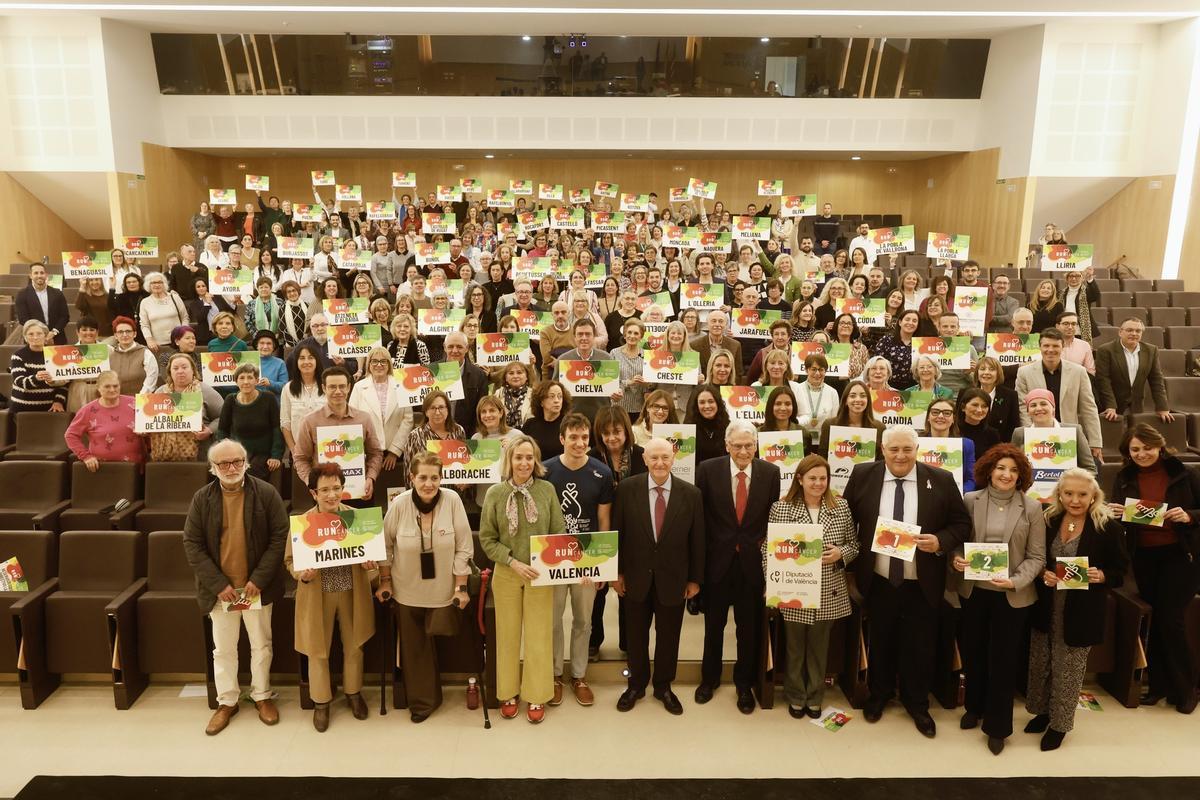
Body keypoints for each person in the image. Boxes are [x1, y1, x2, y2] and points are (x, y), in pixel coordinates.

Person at [842, 426, 970, 737]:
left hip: (921, 581)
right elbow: (847, 517)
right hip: (879, 579)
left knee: (920, 646)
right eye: (894, 449)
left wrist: (940, 541)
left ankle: (917, 703)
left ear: (917, 450)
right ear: (882, 450)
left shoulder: (939, 479)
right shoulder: (863, 475)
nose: (901, 456)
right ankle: (879, 695)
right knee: (881, 640)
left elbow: (961, 523)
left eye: (907, 450)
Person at [182, 439, 288, 736]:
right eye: (223, 464)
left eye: (237, 462)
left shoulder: (266, 493)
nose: (231, 468)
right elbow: (192, 543)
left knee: (261, 646)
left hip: (256, 589)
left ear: (246, 463)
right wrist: (218, 584)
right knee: (223, 650)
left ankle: (262, 696)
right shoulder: (202, 499)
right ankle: (227, 701)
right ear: (212, 468)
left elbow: (280, 537)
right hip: (221, 592)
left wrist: (258, 580)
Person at [949, 444, 1046, 754]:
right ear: (989, 470)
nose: (1006, 474)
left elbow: (1037, 556)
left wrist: (1014, 581)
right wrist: (956, 558)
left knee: (1003, 662)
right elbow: (956, 541)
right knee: (974, 654)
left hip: (1011, 597)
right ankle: (974, 708)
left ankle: (997, 727)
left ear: (1021, 476)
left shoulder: (1031, 507)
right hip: (974, 593)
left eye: (1013, 470)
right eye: (1001, 468)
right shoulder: (969, 501)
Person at [1026, 468, 1128, 750]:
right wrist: (1042, 573)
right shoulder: (1047, 520)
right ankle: (1042, 712)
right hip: (1047, 605)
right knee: (1041, 663)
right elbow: (1034, 557)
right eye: (1068, 493)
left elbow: (1120, 570)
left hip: (1081, 609)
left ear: (1094, 495)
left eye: (1082, 494)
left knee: (1068, 669)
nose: (1075, 500)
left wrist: (1102, 575)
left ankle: (1060, 725)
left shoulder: (1108, 527)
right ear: (1059, 494)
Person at [1109, 424, 1200, 714]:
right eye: (1135, 449)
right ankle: (1158, 686)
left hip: (1180, 556)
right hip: (1144, 558)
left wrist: (1189, 515)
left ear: (1159, 446)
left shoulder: (1186, 474)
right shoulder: (1124, 479)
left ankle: (1186, 689)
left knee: (1171, 620)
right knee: (1156, 621)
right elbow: (1124, 522)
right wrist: (1116, 515)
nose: (1142, 454)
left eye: (1147, 447)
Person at [379, 452, 473, 722]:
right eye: (422, 477)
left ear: (441, 478)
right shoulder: (399, 505)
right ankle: (422, 703)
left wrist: (460, 586)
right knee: (414, 648)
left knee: (444, 640)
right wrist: (385, 581)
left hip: (444, 591)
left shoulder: (453, 500)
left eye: (434, 477)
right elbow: (385, 546)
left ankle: (449, 690)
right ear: (411, 478)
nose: (428, 483)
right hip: (407, 590)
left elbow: (464, 547)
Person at [479, 435, 567, 724]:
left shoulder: (547, 490)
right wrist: (513, 561)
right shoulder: (494, 494)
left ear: (536, 461)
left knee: (539, 636)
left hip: (540, 573)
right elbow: (488, 539)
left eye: (530, 458)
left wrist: (568, 566)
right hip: (507, 573)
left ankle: (537, 694)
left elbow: (558, 532)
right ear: (510, 460)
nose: (524, 463)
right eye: (519, 457)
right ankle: (507, 692)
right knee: (506, 636)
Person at [694, 421, 781, 714]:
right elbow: (701, 519)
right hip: (717, 563)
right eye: (738, 445)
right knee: (713, 627)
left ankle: (744, 684)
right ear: (727, 446)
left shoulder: (771, 473)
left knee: (748, 629)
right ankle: (709, 680)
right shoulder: (707, 470)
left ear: (756, 446)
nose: (743, 451)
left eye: (749, 445)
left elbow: (772, 521)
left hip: (752, 565)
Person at [285, 463, 378, 732]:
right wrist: (302, 574)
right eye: (324, 490)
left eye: (336, 488)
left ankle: (353, 693)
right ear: (314, 493)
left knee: (354, 645)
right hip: (318, 593)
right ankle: (322, 702)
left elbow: (373, 558)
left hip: (351, 590)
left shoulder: (357, 520)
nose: (331, 495)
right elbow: (290, 562)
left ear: (343, 490)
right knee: (317, 650)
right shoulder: (303, 524)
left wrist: (368, 566)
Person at [766, 454, 858, 718]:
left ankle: (815, 696)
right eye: (812, 478)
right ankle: (796, 695)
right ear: (800, 479)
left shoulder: (841, 507)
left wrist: (841, 553)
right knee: (794, 647)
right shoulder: (781, 508)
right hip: (793, 589)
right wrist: (771, 583)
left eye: (823, 478)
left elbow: (855, 544)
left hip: (828, 588)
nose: (818, 483)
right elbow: (768, 550)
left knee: (819, 648)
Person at [543, 413, 614, 708]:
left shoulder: (602, 473)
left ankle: (579, 675)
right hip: (554, 558)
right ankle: (556, 675)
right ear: (562, 439)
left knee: (583, 620)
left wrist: (602, 565)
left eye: (584, 437)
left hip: (587, 557)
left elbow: (603, 519)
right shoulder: (545, 471)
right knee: (554, 619)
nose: (579, 443)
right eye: (573, 437)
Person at [292, 366, 384, 500]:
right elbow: (300, 458)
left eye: (342, 386)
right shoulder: (310, 421)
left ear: (349, 387)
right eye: (332, 387)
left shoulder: (364, 419)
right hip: (324, 497)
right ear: (324, 388)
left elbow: (375, 453)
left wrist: (370, 478)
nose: (338, 391)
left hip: (360, 492)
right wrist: (312, 484)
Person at [1016, 329, 1103, 464]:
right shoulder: (1024, 372)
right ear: (1040, 347)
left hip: (1068, 437)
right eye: (1046, 346)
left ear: (1063, 347)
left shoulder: (1079, 372)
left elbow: (1089, 407)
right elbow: (1022, 406)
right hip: (1036, 438)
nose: (1050, 350)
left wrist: (1095, 441)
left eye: (1055, 346)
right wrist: (1031, 434)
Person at [348, 346, 413, 476]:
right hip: (367, 454)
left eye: (383, 361)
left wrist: (395, 451)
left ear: (389, 364)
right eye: (374, 361)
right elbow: (352, 420)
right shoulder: (359, 387)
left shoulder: (401, 385)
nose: (379, 365)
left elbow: (408, 419)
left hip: (396, 454)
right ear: (369, 364)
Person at [147, 352, 222, 462]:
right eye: (175, 368)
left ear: (193, 370)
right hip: (163, 456)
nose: (180, 371)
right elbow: (149, 419)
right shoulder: (160, 392)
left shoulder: (205, 391)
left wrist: (209, 430)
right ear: (170, 372)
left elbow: (224, 416)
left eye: (184, 367)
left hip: (199, 455)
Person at [1095, 317, 1172, 422]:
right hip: (1112, 405)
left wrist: (1162, 407)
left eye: (1138, 331)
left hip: (1137, 405)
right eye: (1129, 330)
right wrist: (1110, 406)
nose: (1134, 333)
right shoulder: (1105, 350)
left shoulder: (1151, 350)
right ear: (1120, 332)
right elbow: (1103, 380)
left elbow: (1156, 380)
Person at [64, 370, 144, 469]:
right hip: (101, 469)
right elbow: (70, 435)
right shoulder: (87, 410)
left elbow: (151, 429)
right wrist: (86, 456)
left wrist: (146, 433)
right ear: (98, 388)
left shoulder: (135, 404)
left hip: (135, 467)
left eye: (116, 386)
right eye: (107, 386)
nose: (112, 389)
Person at [216, 363, 283, 480]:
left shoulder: (269, 398)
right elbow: (222, 430)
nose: (246, 382)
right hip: (238, 453)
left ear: (256, 380)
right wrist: (224, 450)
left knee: (250, 473)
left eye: (250, 377)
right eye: (242, 378)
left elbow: (277, 429)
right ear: (236, 381)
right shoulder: (230, 400)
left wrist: (276, 456)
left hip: (263, 453)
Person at [1011, 389, 1098, 474]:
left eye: (1043, 404)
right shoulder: (1020, 434)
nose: (1038, 408)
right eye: (1033, 405)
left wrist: (1074, 482)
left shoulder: (1074, 431)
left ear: (1053, 408)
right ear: (1028, 412)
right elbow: (1012, 467)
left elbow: (1090, 469)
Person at [555, 318, 620, 422]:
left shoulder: (606, 359)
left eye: (588, 334)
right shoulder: (563, 360)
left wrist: (617, 394)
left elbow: (616, 388)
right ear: (574, 337)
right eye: (580, 334)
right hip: (572, 419)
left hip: (601, 419)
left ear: (594, 337)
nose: (584, 338)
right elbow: (555, 390)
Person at [8, 320, 67, 420]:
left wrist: (58, 401)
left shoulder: (56, 354)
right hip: (21, 410)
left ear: (45, 335)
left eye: (39, 333)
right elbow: (20, 381)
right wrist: (37, 378)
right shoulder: (18, 356)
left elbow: (65, 384)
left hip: (50, 410)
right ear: (25, 337)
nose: (35, 337)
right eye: (30, 334)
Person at [817, 379, 884, 460]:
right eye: (852, 396)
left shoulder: (879, 428)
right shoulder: (829, 425)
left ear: (868, 400)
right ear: (845, 400)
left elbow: (881, 460)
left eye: (863, 396)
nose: (858, 399)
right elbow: (822, 457)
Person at [921, 396, 977, 492]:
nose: (941, 416)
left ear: (953, 419)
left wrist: (958, 493)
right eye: (935, 412)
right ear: (928, 418)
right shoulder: (916, 441)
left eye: (947, 413)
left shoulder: (966, 444)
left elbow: (971, 480)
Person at [404, 389, 466, 473]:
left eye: (441, 407)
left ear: (448, 409)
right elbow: (409, 472)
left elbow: (464, 464)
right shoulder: (415, 436)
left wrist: (464, 482)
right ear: (426, 412)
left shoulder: (458, 431)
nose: (437, 412)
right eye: (432, 408)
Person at [280, 344, 325, 458]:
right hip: (300, 452)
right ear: (296, 362)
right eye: (302, 358)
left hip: (326, 449)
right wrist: (294, 450)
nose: (306, 362)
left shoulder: (327, 386)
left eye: (310, 357)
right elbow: (285, 423)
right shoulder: (288, 388)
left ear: (317, 361)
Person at [444, 331, 489, 437]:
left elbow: (481, 410)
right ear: (444, 347)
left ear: (467, 348)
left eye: (459, 347)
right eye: (450, 347)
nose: (455, 350)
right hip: (436, 436)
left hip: (467, 436)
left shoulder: (479, 376)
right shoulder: (431, 372)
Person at [15, 262, 69, 345]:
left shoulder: (58, 293)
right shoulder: (22, 294)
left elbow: (64, 316)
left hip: (57, 338)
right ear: (30, 275)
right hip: (34, 339)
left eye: (42, 273)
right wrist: (40, 334)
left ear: (46, 275)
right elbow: (23, 319)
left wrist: (53, 332)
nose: (39, 275)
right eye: (36, 273)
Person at [973, 356, 1020, 445]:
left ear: (998, 373)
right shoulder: (966, 393)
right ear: (977, 373)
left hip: (1000, 447)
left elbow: (1013, 427)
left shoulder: (1010, 395)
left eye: (991, 369)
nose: (986, 372)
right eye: (982, 369)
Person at [138, 272, 189, 352]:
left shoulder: (175, 297)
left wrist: (183, 335)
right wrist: (149, 340)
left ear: (164, 284)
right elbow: (144, 325)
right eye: (153, 283)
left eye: (160, 282)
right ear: (148, 285)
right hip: (158, 346)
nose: (157, 285)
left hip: (178, 342)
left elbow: (185, 318)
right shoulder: (145, 302)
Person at [691, 310, 744, 385]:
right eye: (713, 321)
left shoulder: (735, 345)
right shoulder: (695, 345)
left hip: (726, 390)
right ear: (707, 324)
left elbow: (738, 373)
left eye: (721, 321)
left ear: (726, 325)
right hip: (704, 390)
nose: (717, 324)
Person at [872, 309, 920, 389]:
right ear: (900, 322)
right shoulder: (887, 340)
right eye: (907, 319)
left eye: (914, 321)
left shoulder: (920, 343)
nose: (910, 323)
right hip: (888, 386)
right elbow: (876, 362)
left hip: (914, 388)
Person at [956, 388, 1002, 463]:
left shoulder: (992, 434)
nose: (979, 410)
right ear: (963, 407)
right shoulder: (952, 430)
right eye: (975, 405)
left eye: (984, 406)